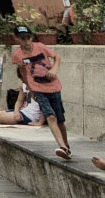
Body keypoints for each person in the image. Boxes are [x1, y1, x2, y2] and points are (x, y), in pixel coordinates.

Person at [9, 26, 73, 162]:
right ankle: (61, 146)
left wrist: (54, 70)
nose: (26, 41)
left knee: (60, 119)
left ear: (31, 37)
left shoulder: (40, 47)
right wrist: (31, 89)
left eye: (28, 38)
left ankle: (66, 145)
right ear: (17, 39)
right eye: (22, 38)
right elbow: (23, 73)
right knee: (50, 116)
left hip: (53, 86)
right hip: (37, 88)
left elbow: (57, 58)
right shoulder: (17, 54)